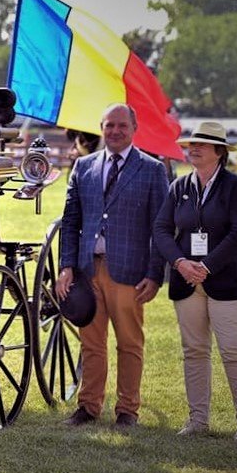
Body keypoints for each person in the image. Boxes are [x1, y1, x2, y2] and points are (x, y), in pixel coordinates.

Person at [55, 103, 168, 429]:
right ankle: (88, 407)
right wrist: (66, 267)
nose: (115, 131)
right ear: (101, 128)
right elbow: (71, 220)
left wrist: (154, 274)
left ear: (134, 128)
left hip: (130, 272)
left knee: (130, 343)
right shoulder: (83, 167)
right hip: (88, 270)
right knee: (91, 343)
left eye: (121, 125)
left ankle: (127, 411)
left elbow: (160, 226)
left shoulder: (152, 169)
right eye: (109, 125)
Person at [153, 121, 237, 441]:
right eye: (190, 144)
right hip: (186, 282)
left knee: (233, 351)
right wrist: (181, 263)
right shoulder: (179, 187)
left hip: (226, 282)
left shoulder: (234, 187)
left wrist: (207, 266)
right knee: (194, 350)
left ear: (219, 152)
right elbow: (161, 229)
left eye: (201, 145)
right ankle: (198, 420)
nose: (193, 148)